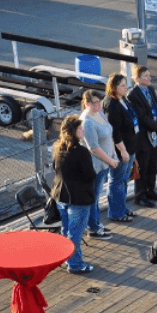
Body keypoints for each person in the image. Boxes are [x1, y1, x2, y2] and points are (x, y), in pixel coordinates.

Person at [52, 115, 97, 274]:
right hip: (78, 198)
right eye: (80, 128)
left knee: (66, 230)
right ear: (73, 132)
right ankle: (75, 264)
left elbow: (55, 168)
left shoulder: (57, 148)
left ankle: (67, 258)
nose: (82, 130)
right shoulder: (82, 152)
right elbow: (90, 175)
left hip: (60, 196)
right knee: (75, 233)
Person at [127, 65, 157, 207]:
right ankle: (140, 195)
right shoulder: (133, 95)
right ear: (137, 79)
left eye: (149, 75)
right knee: (143, 165)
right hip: (143, 137)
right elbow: (142, 117)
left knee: (152, 164)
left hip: (154, 135)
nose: (149, 78)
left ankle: (151, 190)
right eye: (146, 76)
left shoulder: (150, 90)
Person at [79, 89, 116, 240]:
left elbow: (109, 133)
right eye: (95, 103)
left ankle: (95, 223)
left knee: (96, 194)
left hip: (104, 164)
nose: (98, 105)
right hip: (95, 166)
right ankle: (93, 227)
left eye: (99, 102)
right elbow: (93, 147)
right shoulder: (86, 121)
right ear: (87, 103)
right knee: (93, 197)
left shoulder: (99, 113)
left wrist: (113, 153)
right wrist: (110, 160)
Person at [103, 73, 138, 223]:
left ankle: (122, 208)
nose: (126, 87)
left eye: (126, 84)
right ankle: (115, 212)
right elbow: (115, 132)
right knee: (116, 181)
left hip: (130, 146)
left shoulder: (123, 100)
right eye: (122, 85)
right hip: (120, 151)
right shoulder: (112, 105)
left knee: (124, 180)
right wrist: (123, 151)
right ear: (114, 88)